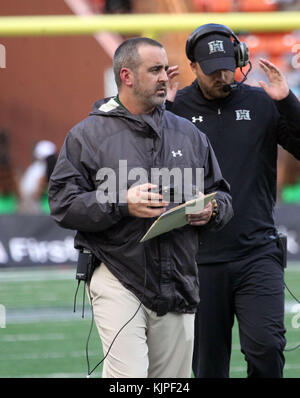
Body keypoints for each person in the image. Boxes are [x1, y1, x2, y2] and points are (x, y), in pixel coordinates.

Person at [48, 37, 233, 378]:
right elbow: (62, 204)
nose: (165, 76)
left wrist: (213, 211)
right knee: (129, 378)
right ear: (127, 76)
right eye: (155, 69)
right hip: (118, 272)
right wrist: (121, 203)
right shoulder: (86, 135)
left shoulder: (190, 134)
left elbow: (221, 195)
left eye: (165, 68)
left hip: (177, 277)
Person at [166, 23, 300, 378]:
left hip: (258, 252)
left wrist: (288, 101)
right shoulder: (173, 109)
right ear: (193, 67)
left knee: (268, 348)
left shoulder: (261, 101)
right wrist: (158, 115)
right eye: (212, 70)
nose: (223, 75)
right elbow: (148, 164)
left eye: (228, 65)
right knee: (208, 367)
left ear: (239, 59)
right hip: (197, 261)